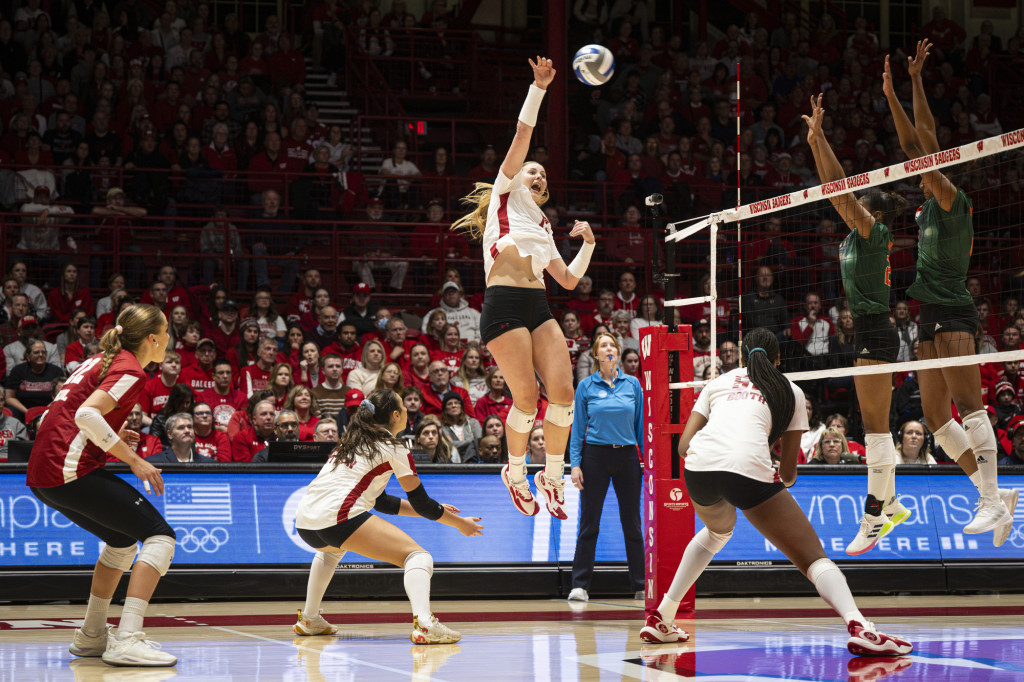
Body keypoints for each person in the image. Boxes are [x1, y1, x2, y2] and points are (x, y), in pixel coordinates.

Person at [641, 328, 913, 657]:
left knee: (716, 532)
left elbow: (684, 446)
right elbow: (787, 474)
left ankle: (662, 617)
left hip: (698, 469)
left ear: (741, 356)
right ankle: (859, 625)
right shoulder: (791, 391)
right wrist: (759, 471)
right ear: (778, 359)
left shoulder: (716, 384)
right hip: (746, 470)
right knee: (813, 558)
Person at [450, 56, 596, 520]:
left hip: (537, 303)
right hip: (504, 302)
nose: (539, 176)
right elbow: (521, 136)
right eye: (535, 171)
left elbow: (569, 281)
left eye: (544, 177)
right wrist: (540, 88)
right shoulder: (504, 193)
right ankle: (514, 474)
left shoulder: (544, 226)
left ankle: (551, 478)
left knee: (565, 396)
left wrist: (588, 245)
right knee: (527, 400)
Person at [884, 42, 1016, 544]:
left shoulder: (952, 199)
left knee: (969, 404)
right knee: (937, 418)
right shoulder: (923, 208)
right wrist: (892, 93)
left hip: (956, 311)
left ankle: (990, 498)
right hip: (927, 310)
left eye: (925, 169)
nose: (916, 172)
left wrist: (916, 83)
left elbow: (923, 146)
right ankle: (994, 494)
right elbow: (909, 148)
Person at [26, 303, 179, 666]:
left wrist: (108, 436)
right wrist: (134, 459)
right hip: (68, 468)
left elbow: (58, 412)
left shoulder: (102, 359)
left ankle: (92, 633)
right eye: (167, 332)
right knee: (160, 536)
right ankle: (127, 638)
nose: (170, 338)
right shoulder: (130, 370)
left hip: (45, 470)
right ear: (154, 338)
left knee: (122, 541)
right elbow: (85, 414)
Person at [803, 93, 910, 555]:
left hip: (876, 329)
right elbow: (835, 190)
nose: (851, 210)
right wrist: (815, 139)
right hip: (868, 330)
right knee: (876, 427)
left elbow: (838, 188)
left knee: (875, 432)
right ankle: (893, 503)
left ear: (874, 214)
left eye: (860, 207)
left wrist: (822, 139)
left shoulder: (875, 232)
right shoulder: (855, 236)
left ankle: (874, 516)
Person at [292, 389, 482, 643]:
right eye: (403, 407)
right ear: (395, 415)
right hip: (338, 518)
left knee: (331, 551)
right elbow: (423, 503)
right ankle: (425, 624)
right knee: (418, 557)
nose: (405, 411)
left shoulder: (349, 443)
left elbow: (380, 501)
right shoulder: (393, 447)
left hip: (305, 523)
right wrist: (461, 524)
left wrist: (438, 510)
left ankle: (309, 618)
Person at [567, 331, 645, 603]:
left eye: (612, 344)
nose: (609, 348)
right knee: (589, 523)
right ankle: (579, 585)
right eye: (603, 345)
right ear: (595, 354)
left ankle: (640, 584)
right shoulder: (585, 387)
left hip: (627, 457)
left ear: (618, 352)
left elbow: (640, 426)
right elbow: (577, 429)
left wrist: (646, 458)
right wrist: (575, 464)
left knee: (632, 523)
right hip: (595, 458)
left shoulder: (633, 384)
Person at [5, 340, 64, 421]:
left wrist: (47, 412)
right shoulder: (18, 370)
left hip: (49, 412)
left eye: (43, 352)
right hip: (23, 412)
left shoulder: (56, 371)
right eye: (36, 352)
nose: (41, 355)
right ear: (28, 356)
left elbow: (62, 396)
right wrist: (28, 412)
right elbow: (9, 397)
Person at [149, 412, 214, 463]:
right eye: (181, 428)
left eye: (189, 427)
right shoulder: (154, 462)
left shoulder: (209, 464)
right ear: (170, 434)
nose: (187, 431)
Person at [440, 391, 482, 463]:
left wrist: (457, 444)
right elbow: (447, 445)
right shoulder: (442, 427)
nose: (454, 406)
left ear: (461, 407)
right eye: (450, 404)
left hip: (473, 459)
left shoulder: (473, 423)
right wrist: (470, 442)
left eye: (456, 403)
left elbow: (479, 443)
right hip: (451, 461)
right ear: (445, 410)